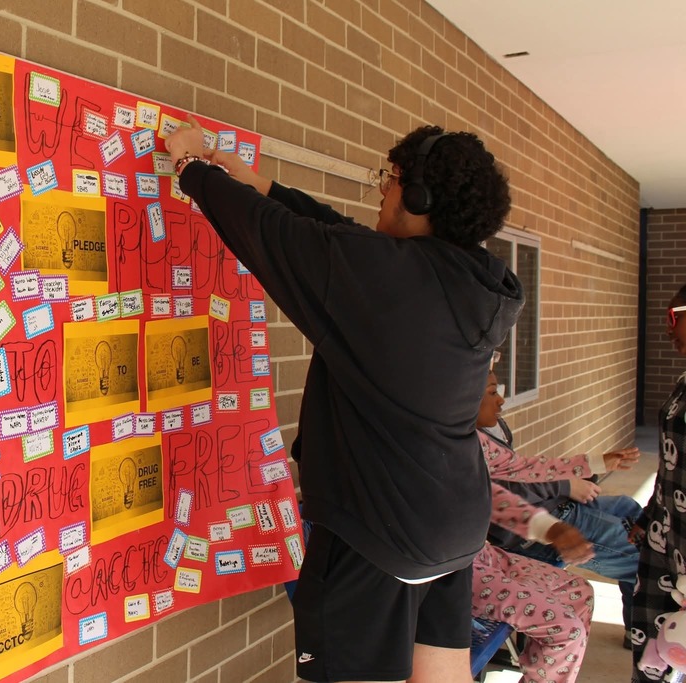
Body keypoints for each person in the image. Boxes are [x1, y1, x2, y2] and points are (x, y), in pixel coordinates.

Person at [166, 118, 524, 683]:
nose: (382, 190)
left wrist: (191, 168)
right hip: (452, 525)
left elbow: (276, 237)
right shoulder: (465, 280)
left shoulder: (385, 277)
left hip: (377, 527)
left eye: (391, 178)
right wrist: (262, 185)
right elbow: (342, 239)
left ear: (419, 196)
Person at [474, 369, 641, 683]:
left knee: (580, 592)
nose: (502, 400)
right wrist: (551, 525)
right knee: (566, 631)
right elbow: (501, 492)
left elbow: (516, 471)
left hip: (484, 557)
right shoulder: (426, 447)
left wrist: (593, 464)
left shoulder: (474, 439)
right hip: (455, 575)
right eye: (492, 392)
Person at [630, 283, 686, 681]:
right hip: (664, 540)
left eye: (674, 317)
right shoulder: (684, 381)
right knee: (652, 651)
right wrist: (650, 514)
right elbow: (672, 463)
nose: (668, 330)